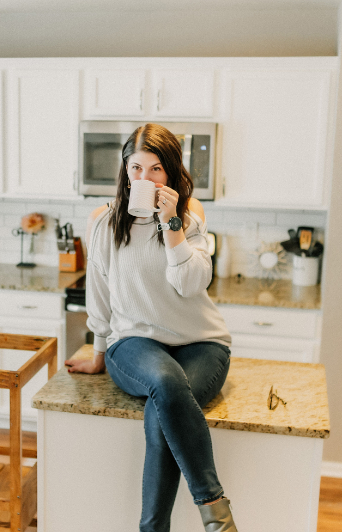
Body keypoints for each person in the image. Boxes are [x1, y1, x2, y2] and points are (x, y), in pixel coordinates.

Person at [65, 123, 239, 532]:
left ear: (172, 173)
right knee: (165, 382)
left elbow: (192, 283)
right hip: (134, 342)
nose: (145, 178)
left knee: (163, 412)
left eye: (156, 169)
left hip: (202, 344)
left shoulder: (189, 215)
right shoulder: (104, 222)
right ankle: (215, 511)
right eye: (137, 168)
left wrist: (171, 223)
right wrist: (96, 352)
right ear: (126, 172)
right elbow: (100, 292)